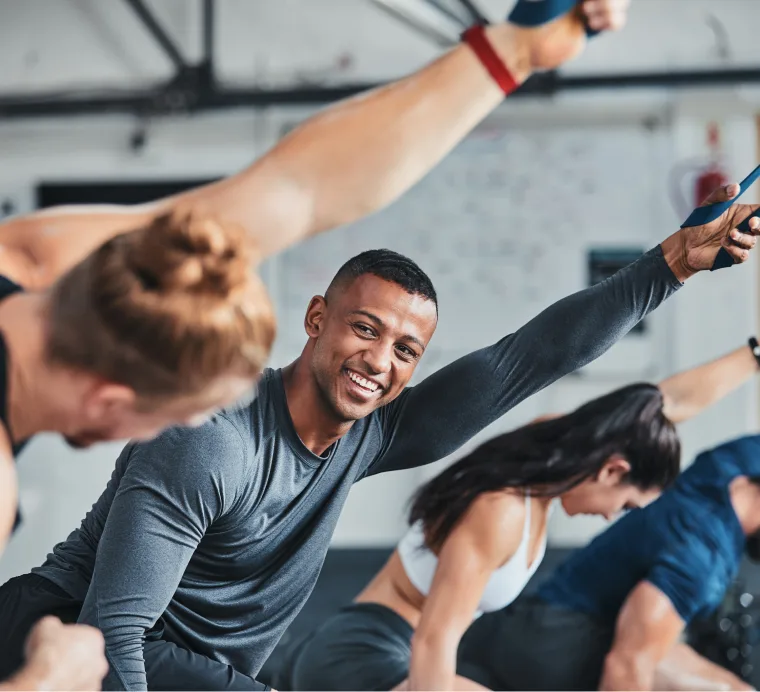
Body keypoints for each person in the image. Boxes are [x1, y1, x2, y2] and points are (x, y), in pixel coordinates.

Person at [0, 3, 629, 689]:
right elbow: (113, 633)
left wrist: (512, 53)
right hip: (63, 642)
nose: (170, 434)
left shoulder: (25, 262)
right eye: (162, 420)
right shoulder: (34, 446)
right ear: (111, 397)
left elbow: (305, 187)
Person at [0, 169, 758, 691]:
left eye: (405, 350)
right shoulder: (212, 439)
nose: (379, 362)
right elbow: (114, 634)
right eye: (364, 330)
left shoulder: (373, 435)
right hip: (61, 643)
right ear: (315, 319)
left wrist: (670, 266)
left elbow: (529, 358)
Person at [280, 340, 760, 691]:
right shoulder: (502, 511)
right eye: (627, 505)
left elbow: (660, 406)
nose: (617, 517)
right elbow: (433, 641)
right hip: (364, 656)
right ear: (613, 470)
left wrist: (754, 354)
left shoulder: (548, 457)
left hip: (400, 652)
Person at [455, 431, 760, 692]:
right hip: (552, 656)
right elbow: (626, 665)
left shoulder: (733, 462)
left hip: (525, 623)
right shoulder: (703, 559)